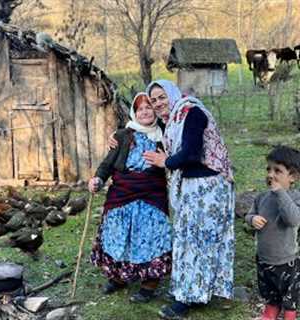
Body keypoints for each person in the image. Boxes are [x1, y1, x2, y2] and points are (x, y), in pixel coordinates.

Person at [140, 80, 235, 319]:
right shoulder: (172, 120)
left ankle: (189, 298)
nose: (158, 103)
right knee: (190, 239)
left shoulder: (191, 112)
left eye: (162, 97)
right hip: (194, 186)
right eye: (154, 100)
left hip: (208, 187)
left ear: (172, 94)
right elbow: (145, 130)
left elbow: (192, 153)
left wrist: (167, 162)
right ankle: (194, 291)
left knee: (199, 241)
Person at [89, 92, 172, 303]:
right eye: (140, 109)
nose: (144, 112)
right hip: (122, 193)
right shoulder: (123, 135)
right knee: (118, 234)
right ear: (134, 113)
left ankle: (149, 283)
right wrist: (98, 179)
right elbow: (108, 163)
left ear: (155, 110)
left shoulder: (166, 133)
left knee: (151, 236)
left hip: (152, 194)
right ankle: (118, 278)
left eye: (148, 107)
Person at [245, 146, 300, 320]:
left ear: (293, 177)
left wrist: (280, 193)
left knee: (289, 294)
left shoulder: (295, 198)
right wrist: (252, 219)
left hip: (287, 260)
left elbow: (293, 219)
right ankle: (271, 309)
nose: (270, 175)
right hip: (264, 258)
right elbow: (249, 215)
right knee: (269, 289)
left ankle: (289, 314)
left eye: (278, 171)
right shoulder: (261, 197)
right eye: (269, 169)